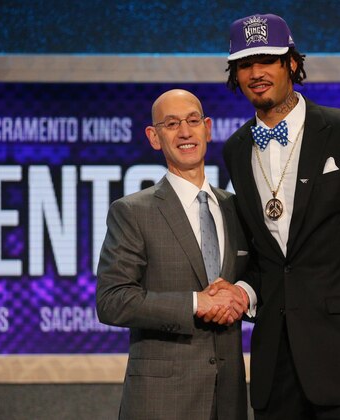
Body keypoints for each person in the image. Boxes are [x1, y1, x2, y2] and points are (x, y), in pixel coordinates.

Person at [219, 13, 340, 420]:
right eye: (244, 64)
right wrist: (242, 292)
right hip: (276, 366)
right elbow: (267, 256)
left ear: (291, 63)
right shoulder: (236, 148)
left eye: (267, 59)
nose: (256, 72)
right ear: (235, 74)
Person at [96, 89, 249, 420]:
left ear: (207, 128)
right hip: (161, 401)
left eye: (193, 121)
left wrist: (244, 294)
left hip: (229, 398)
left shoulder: (237, 208)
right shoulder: (132, 212)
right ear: (154, 137)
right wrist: (196, 303)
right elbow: (112, 300)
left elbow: (262, 276)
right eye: (171, 124)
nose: (185, 132)